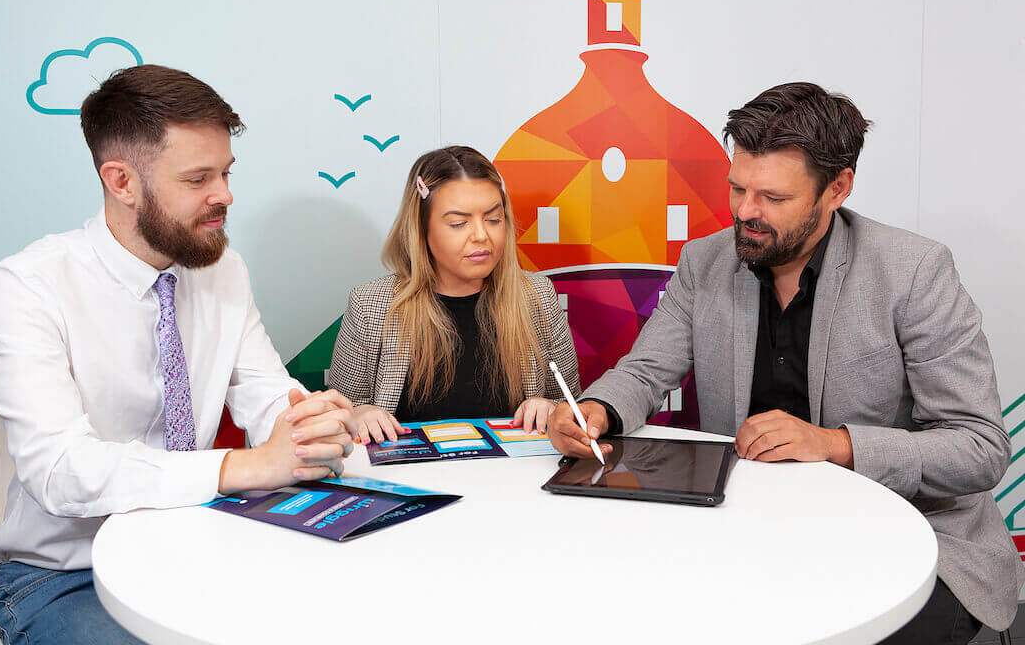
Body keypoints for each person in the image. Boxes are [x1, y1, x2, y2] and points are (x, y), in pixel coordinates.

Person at [547, 82, 1023, 643]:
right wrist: (597, 409)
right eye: (737, 188)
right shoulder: (706, 261)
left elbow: (980, 446)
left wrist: (834, 444)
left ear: (837, 187)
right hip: (748, 531)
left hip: (912, 534)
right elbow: (645, 372)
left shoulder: (914, 271)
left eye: (773, 198)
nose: (746, 212)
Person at [0, 64, 356, 644]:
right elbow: (58, 471)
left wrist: (308, 423)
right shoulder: (29, 285)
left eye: (226, 173)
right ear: (121, 181)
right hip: (65, 573)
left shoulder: (220, 268)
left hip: (204, 542)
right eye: (198, 178)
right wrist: (244, 466)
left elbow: (265, 395)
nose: (225, 196)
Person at [329, 145, 579, 444]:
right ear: (421, 230)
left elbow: (573, 407)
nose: (481, 235)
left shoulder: (537, 296)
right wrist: (359, 415)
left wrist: (551, 409)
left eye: (493, 219)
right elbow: (337, 418)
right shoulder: (370, 305)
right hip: (414, 481)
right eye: (459, 223)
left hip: (516, 483)